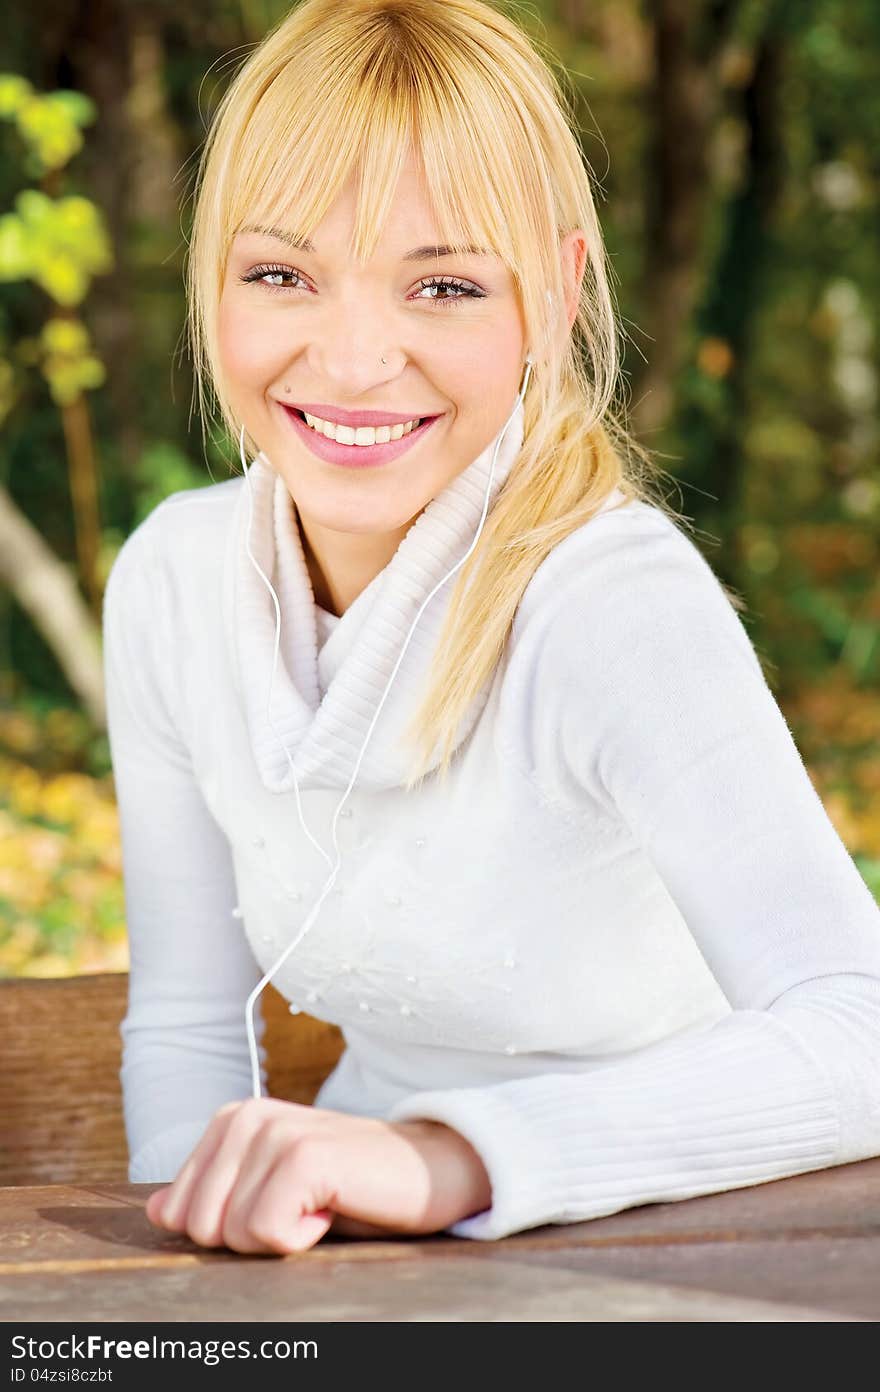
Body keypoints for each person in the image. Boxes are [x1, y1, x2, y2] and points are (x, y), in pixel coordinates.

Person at [102, 0, 880, 1256]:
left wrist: (452, 1159)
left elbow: (861, 1028)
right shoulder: (173, 582)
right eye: (282, 274)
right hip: (366, 1259)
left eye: (446, 285)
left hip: (687, 1239)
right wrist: (195, 1290)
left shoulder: (608, 602)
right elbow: (192, 1021)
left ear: (554, 297)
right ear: (212, 280)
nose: (353, 360)